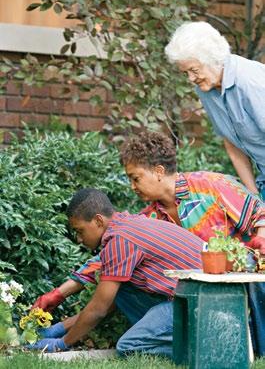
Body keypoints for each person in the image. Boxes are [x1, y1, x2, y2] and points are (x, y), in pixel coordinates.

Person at [33, 131, 265, 354]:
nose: (132, 186)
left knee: (248, 262)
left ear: (159, 171)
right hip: (191, 293)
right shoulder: (148, 219)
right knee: (122, 282)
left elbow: (259, 212)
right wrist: (59, 295)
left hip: (240, 275)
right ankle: (196, 337)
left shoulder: (210, 185)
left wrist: (261, 240)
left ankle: (246, 343)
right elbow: (107, 263)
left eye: (136, 178)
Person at [28, 187, 203, 356]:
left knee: (129, 346)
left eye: (79, 231)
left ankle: (198, 351)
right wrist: (59, 328)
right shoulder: (126, 225)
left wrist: (62, 343)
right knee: (122, 291)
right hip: (191, 301)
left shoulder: (120, 240)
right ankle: (188, 340)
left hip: (196, 306)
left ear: (98, 221)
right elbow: (107, 303)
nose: (79, 239)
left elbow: (98, 310)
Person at [164, 21, 265, 201]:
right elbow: (232, 144)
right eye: (185, 72)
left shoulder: (250, 81)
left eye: (194, 70)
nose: (191, 78)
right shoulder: (206, 89)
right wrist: (255, 198)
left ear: (212, 58)